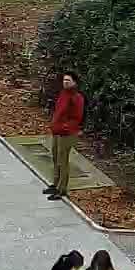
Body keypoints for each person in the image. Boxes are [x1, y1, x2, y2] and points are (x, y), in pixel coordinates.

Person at [45, 73, 85, 202]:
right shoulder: (63, 94)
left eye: (68, 80)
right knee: (55, 156)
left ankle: (62, 189)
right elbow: (58, 111)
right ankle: (55, 184)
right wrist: (54, 125)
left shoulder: (77, 97)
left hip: (67, 133)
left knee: (63, 160)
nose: (66, 82)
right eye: (64, 80)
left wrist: (65, 127)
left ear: (75, 82)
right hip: (57, 131)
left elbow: (77, 117)